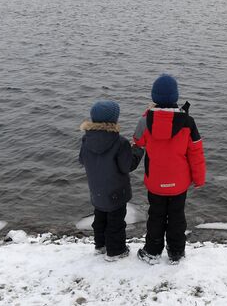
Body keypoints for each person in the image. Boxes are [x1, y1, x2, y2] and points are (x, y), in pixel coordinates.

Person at [133, 74, 206, 265]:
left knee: (155, 217)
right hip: (179, 184)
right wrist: (199, 179)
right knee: (177, 218)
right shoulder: (188, 122)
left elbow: (138, 140)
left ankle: (152, 252)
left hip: (155, 182)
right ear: (176, 96)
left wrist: (146, 114)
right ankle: (175, 252)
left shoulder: (146, 120)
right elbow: (196, 153)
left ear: (154, 96)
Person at [79, 100, 144, 262]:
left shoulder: (86, 140)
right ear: (114, 120)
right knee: (116, 223)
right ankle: (116, 251)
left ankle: (100, 246)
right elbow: (127, 166)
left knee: (99, 219)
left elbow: (82, 160)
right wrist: (136, 150)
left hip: (97, 190)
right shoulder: (119, 142)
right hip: (116, 192)